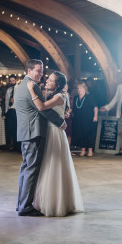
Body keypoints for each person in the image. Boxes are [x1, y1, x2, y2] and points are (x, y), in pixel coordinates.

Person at [27, 71, 84, 217]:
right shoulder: (56, 95)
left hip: (54, 133)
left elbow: (41, 107)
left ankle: (55, 203)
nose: (46, 81)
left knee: (53, 166)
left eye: (50, 80)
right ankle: (48, 200)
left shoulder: (60, 96)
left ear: (57, 84)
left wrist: (31, 90)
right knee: (47, 167)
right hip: (52, 131)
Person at [14, 59, 66, 217]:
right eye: (38, 70)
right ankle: (25, 206)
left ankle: (21, 204)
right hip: (34, 132)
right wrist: (60, 121)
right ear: (29, 71)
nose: (41, 74)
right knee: (31, 170)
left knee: (25, 169)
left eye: (42, 71)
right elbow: (42, 109)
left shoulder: (21, 85)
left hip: (26, 132)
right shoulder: (32, 86)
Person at [71, 80, 98, 157]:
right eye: (78, 88)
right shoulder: (76, 98)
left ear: (85, 89)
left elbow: (95, 107)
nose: (79, 90)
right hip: (78, 119)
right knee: (81, 134)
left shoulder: (90, 97)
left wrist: (95, 116)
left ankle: (90, 151)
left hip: (88, 119)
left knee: (89, 134)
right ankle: (83, 150)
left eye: (81, 88)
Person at [5, 75, 18, 151]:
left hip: (17, 111)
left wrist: (14, 100)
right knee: (11, 129)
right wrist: (5, 112)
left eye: (13, 80)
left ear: (16, 80)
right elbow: (6, 101)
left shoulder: (20, 89)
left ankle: (17, 146)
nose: (12, 82)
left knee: (17, 129)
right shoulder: (8, 90)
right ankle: (12, 145)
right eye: (10, 81)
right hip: (10, 111)